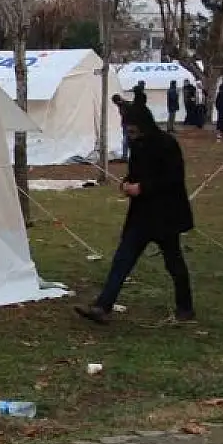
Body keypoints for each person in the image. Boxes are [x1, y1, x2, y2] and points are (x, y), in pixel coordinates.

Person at [74, 103, 195, 325]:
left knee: (173, 262)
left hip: (165, 215)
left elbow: (173, 178)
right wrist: (128, 182)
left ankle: (185, 308)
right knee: (123, 259)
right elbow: (137, 172)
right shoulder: (137, 145)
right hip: (141, 216)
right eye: (127, 131)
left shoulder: (167, 144)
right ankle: (103, 306)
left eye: (133, 130)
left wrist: (142, 188)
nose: (130, 135)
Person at [112, 93, 131, 162]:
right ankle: (125, 156)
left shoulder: (126, 105)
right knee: (126, 141)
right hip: (126, 125)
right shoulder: (121, 105)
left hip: (129, 125)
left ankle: (125, 156)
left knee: (126, 141)